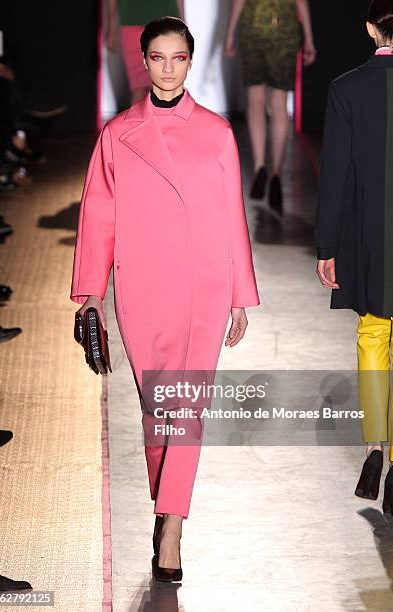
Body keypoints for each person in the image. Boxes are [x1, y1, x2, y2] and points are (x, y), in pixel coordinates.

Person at [71, 16, 260, 582]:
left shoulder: (217, 131)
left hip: (204, 285)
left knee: (189, 409)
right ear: (145, 61)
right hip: (143, 286)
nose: (169, 68)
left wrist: (239, 295)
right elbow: (98, 215)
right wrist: (89, 295)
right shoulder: (118, 134)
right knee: (160, 410)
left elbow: (232, 215)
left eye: (179, 58)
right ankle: (166, 504)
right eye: (159, 58)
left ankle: (171, 528)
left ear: (190, 60)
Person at [316, 0, 393, 514]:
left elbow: (336, 177)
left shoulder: (347, 89)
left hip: (370, 236)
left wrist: (327, 247)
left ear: (370, 28)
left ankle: (374, 447)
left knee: (373, 334)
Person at [225, 0, 316, 215]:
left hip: (253, 26)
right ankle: (275, 173)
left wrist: (230, 33)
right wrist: (309, 38)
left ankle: (259, 167)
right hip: (283, 29)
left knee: (255, 99)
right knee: (279, 103)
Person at [107, 0, 184, 104]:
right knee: (139, 87)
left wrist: (182, 24)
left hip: (164, 18)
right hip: (132, 19)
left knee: (163, 87)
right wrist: (111, 26)